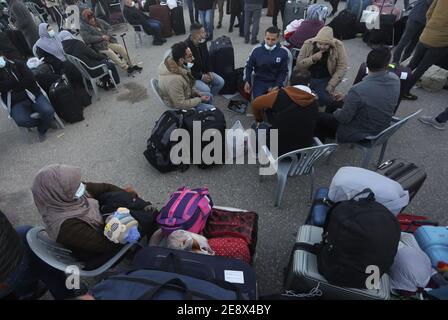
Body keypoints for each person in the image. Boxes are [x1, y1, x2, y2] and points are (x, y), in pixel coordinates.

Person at [31, 164, 159, 270]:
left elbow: (106, 188)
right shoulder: (67, 227)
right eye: (75, 186)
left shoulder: (65, 193)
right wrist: (124, 214)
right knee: (147, 214)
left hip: (101, 226)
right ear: (58, 193)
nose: (81, 186)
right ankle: (153, 240)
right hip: (99, 254)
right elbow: (107, 244)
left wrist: (126, 197)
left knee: (121, 197)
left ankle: (146, 220)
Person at [314, 47, 400, 143]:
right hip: (382, 127)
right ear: (387, 65)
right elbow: (371, 98)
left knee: (317, 116)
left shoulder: (358, 89)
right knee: (332, 103)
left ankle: (320, 146)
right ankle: (328, 133)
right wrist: (347, 98)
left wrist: (338, 112)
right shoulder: (395, 79)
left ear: (367, 64)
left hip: (363, 132)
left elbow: (343, 118)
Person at [0, 210, 76, 300]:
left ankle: (28, 291)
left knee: (27, 233)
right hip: (8, 269)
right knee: (46, 262)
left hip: (10, 249)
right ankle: (67, 296)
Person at [251, 70, 319, 155]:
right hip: (302, 153)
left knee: (257, 126)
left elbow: (255, 104)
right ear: (308, 84)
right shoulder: (314, 101)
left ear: (289, 82)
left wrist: (259, 119)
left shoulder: (278, 95)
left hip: (276, 150)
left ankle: (257, 150)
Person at [0, 55, 56, 141]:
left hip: (34, 95)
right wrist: (16, 81)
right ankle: (44, 122)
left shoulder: (17, 64)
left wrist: (11, 86)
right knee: (21, 120)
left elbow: (30, 79)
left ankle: (42, 129)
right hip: (15, 102)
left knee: (48, 111)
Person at [400, 0, 448, 101]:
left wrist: (430, 27)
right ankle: (404, 92)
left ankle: (397, 84)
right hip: (440, 41)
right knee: (421, 68)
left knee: (412, 64)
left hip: (427, 34)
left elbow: (429, 12)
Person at [294, 26, 347, 111]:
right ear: (316, 41)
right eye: (320, 44)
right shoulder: (308, 43)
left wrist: (331, 84)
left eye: (326, 44)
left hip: (324, 78)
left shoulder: (339, 46)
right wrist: (312, 59)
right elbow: (299, 64)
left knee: (327, 100)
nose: (322, 47)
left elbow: (342, 66)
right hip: (307, 76)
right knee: (300, 98)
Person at [80, 8, 142, 76]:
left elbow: (109, 27)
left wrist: (107, 34)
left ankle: (131, 64)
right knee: (111, 53)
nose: (92, 20)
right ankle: (126, 68)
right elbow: (87, 39)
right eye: (90, 19)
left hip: (109, 42)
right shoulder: (83, 27)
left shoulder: (98, 21)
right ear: (86, 19)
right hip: (99, 46)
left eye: (92, 17)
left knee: (120, 48)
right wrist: (101, 37)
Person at [158, 42, 214, 111]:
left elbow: (188, 85)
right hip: (181, 107)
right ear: (181, 60)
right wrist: (199, 99)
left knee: (209, 96)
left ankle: (207, 115)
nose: (193, 58)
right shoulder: (175, 80)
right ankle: (198, 120)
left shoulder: (179, 65)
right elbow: (180, 104)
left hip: (185, 96)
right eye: (190, 56)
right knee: (210, 109)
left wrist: (197, 93)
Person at [243, 26, 289, 99]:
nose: (270, 42)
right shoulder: (256, 51)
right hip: (259, 82)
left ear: (277, 39)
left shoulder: (283, 53)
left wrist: (277, 85)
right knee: (258, 103)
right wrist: (247, 81)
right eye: (268, 39)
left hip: (274, 81)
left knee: (275, 104)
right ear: (264, 37)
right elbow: (249, 67)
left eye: (273, 40)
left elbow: (283, 71)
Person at [185, 23, 225, 96]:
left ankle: (209, 99)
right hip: (193, 77)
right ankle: (202, 100)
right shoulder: (186, 47)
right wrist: (201, 77)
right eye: (203, 32)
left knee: (220, 82)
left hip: (204, 71)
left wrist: (209, 71)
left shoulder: (202, 42)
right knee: (206, 89)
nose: (205, 34)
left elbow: (207, 58)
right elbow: (187, 71)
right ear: (196, 35)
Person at [392, 0, 433, 65]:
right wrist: (407, 6)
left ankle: (403, 62)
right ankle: (395, 62)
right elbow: (429, 3)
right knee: (404, 42)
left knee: (412, 44)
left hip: (422, 21)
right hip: (416, 19)